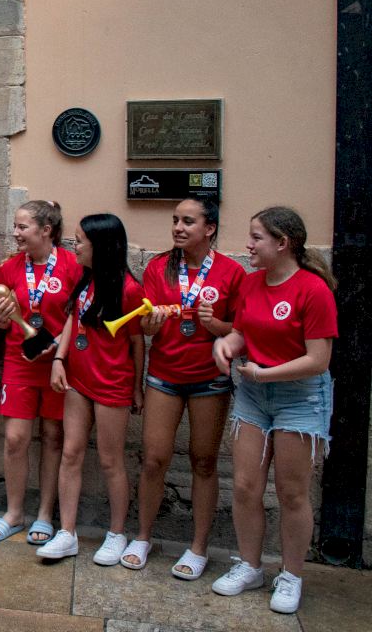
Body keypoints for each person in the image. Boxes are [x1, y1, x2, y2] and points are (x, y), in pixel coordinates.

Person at [209, 207, 337, 614]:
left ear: (283, 243)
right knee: (245, 486)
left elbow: (318, 359)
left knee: (291, 492)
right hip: (253, 393)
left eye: (256, 237)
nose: (248, 245)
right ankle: (250, 566)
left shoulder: (313, 290)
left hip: (299, 396)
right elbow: (241, 333)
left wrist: (265, 374)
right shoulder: (251, 283)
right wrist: (226, 345)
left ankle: (291, 575)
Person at [122, 199, 246, 576]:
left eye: (188, 221)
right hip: (164, 376)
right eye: (175, 220)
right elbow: (144, 326)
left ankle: (198, 548)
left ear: (209, 228)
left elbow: (242, 331)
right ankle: (142, 537)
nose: (178, 227)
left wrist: (215, 327)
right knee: (154, 459)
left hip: (210, 379)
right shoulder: (159, 266)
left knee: (204, 462)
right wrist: (151, 325)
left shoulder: (231, 272)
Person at [38, 213, 145, 565]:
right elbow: (73, 319)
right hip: (78, 381)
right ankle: (67, 532)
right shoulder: (84, 279)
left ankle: (116, 533)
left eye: (81, 240)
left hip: (112, 384)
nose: (75, 245)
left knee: (111, 460)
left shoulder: (129, 289)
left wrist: (137, 389)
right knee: (71, 453)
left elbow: (137, 342)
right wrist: (59, 359)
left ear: (102, 245)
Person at [0, 200, 79, 544]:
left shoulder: (71, 266)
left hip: (57, 364)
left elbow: (77, 313)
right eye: (15, 226)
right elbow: (1, 321)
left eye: (23, 227)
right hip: (19, 360)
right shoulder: (10, 268)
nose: (15, 233)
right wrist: (1, 318)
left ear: (46, 230)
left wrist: (60, 350)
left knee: (53, 437)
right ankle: (14, 512)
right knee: (15, 439)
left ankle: (44, 514)